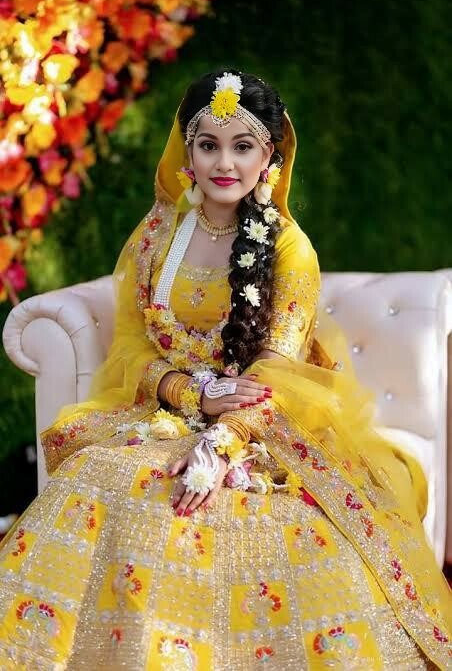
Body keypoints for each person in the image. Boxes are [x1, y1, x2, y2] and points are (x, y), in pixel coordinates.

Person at [0, 69, 450, 670]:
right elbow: (131, 346)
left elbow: (278, 367)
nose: (224, 163)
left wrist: (220, 443)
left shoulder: (289, 247)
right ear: (186, 152)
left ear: (269, 157)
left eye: (242, 146)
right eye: (208, 144)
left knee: (264, 512)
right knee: (100, 473)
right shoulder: (156, 238)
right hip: (169, 410)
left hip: (262, 420)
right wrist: (192, 396)